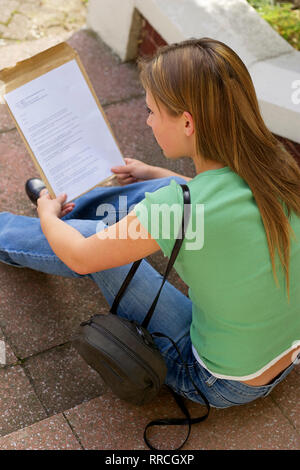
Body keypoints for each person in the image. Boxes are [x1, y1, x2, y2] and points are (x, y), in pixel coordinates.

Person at [1, 37, 300, 409]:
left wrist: (47, 219)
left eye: (152, 111)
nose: (147, 120)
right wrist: (157, 175)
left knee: (91, 237)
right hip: (283, 357)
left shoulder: (177, 208)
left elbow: (82, 257)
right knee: (166, 187)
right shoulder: (278, 163)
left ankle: (25, 225)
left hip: (218, 381)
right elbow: (218, 201)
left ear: (187, 122)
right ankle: (68, 208)